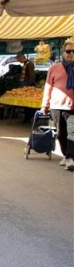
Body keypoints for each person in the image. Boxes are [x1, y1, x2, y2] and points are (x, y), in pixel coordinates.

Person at [41, 38, 74, 171]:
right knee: (61, 133)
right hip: (57, 106)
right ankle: (66, 155)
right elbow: (48, 87)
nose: (71, 53)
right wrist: (45, 104)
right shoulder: (54, 68)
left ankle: (71, 157)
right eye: (68, 51)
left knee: (72, 132)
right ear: (63, 52)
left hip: (72, 107)